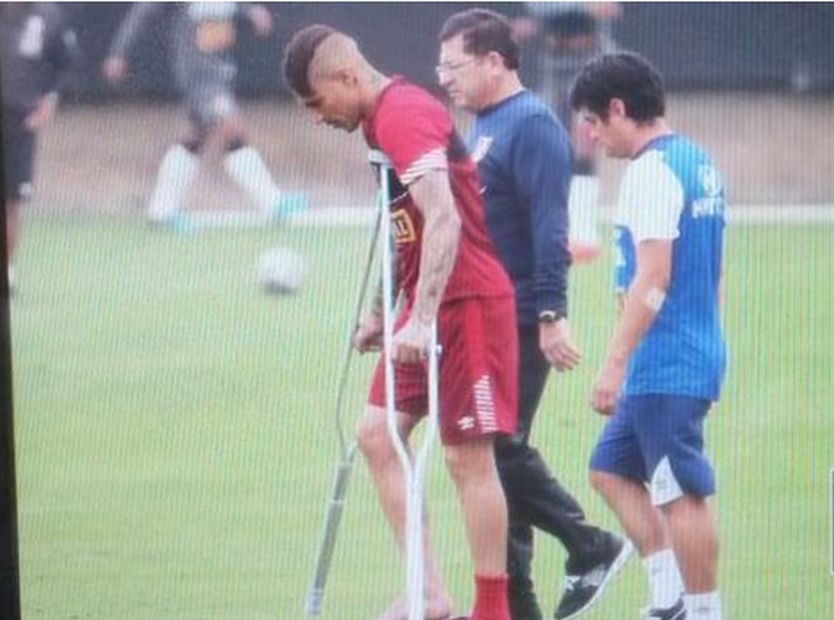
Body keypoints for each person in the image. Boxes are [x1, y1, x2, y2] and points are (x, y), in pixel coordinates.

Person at [283, 24, 520, 620]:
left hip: (466, 302)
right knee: (375, 433)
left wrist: (421, 318)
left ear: (345, 77)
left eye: (316, 103)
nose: (315, 118)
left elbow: (444, 218)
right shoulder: (375, 124)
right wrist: (382, 314)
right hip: (421, 306)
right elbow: (405, 225)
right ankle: (429, 593)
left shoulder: (405, 113)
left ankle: (492, 609)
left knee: (468, 457)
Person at [437, 10, 631, 620]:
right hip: (484, 316)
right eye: (440, 67)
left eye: (454, 66)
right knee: (493, 458)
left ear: (496, 61)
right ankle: (518, 605)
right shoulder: (486, 124)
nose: (444, 78)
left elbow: (554, 229)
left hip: (517, 315)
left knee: (493, 448)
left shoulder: (533, 126)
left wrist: (551, 312)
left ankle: (591, 545)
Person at [571, 52, 726, 620]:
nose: (590, 133)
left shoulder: (651, 170)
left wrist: (614, 363)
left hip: (666, 358)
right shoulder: (697, 161)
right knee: (610, 469)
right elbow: (714, 268)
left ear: (619, 108)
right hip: (682, 352)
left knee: (679, 492)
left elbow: (654, 275)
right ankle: (671, 598)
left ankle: (705, 612)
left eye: (593, 119)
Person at [102, 2, 306, 231]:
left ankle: (161, 210)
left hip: (218, 71)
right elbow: (144, 10)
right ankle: (272, 203)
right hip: (199, 74)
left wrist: (250, 11)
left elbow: (226, 8)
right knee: (232, 129)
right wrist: (119, 52)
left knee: (196, 137)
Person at [513, 2, 622, 263]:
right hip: (554, 66)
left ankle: (584, 236)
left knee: (584, 146)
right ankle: (557, 230)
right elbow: (541, 10)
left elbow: (608, 8)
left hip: (588, 63)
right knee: (552, 145)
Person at [1, 2, 80, 290]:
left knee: (11, 201)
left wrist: (51, 99)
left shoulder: (46, 14)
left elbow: (67, 64)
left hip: (20, 121)